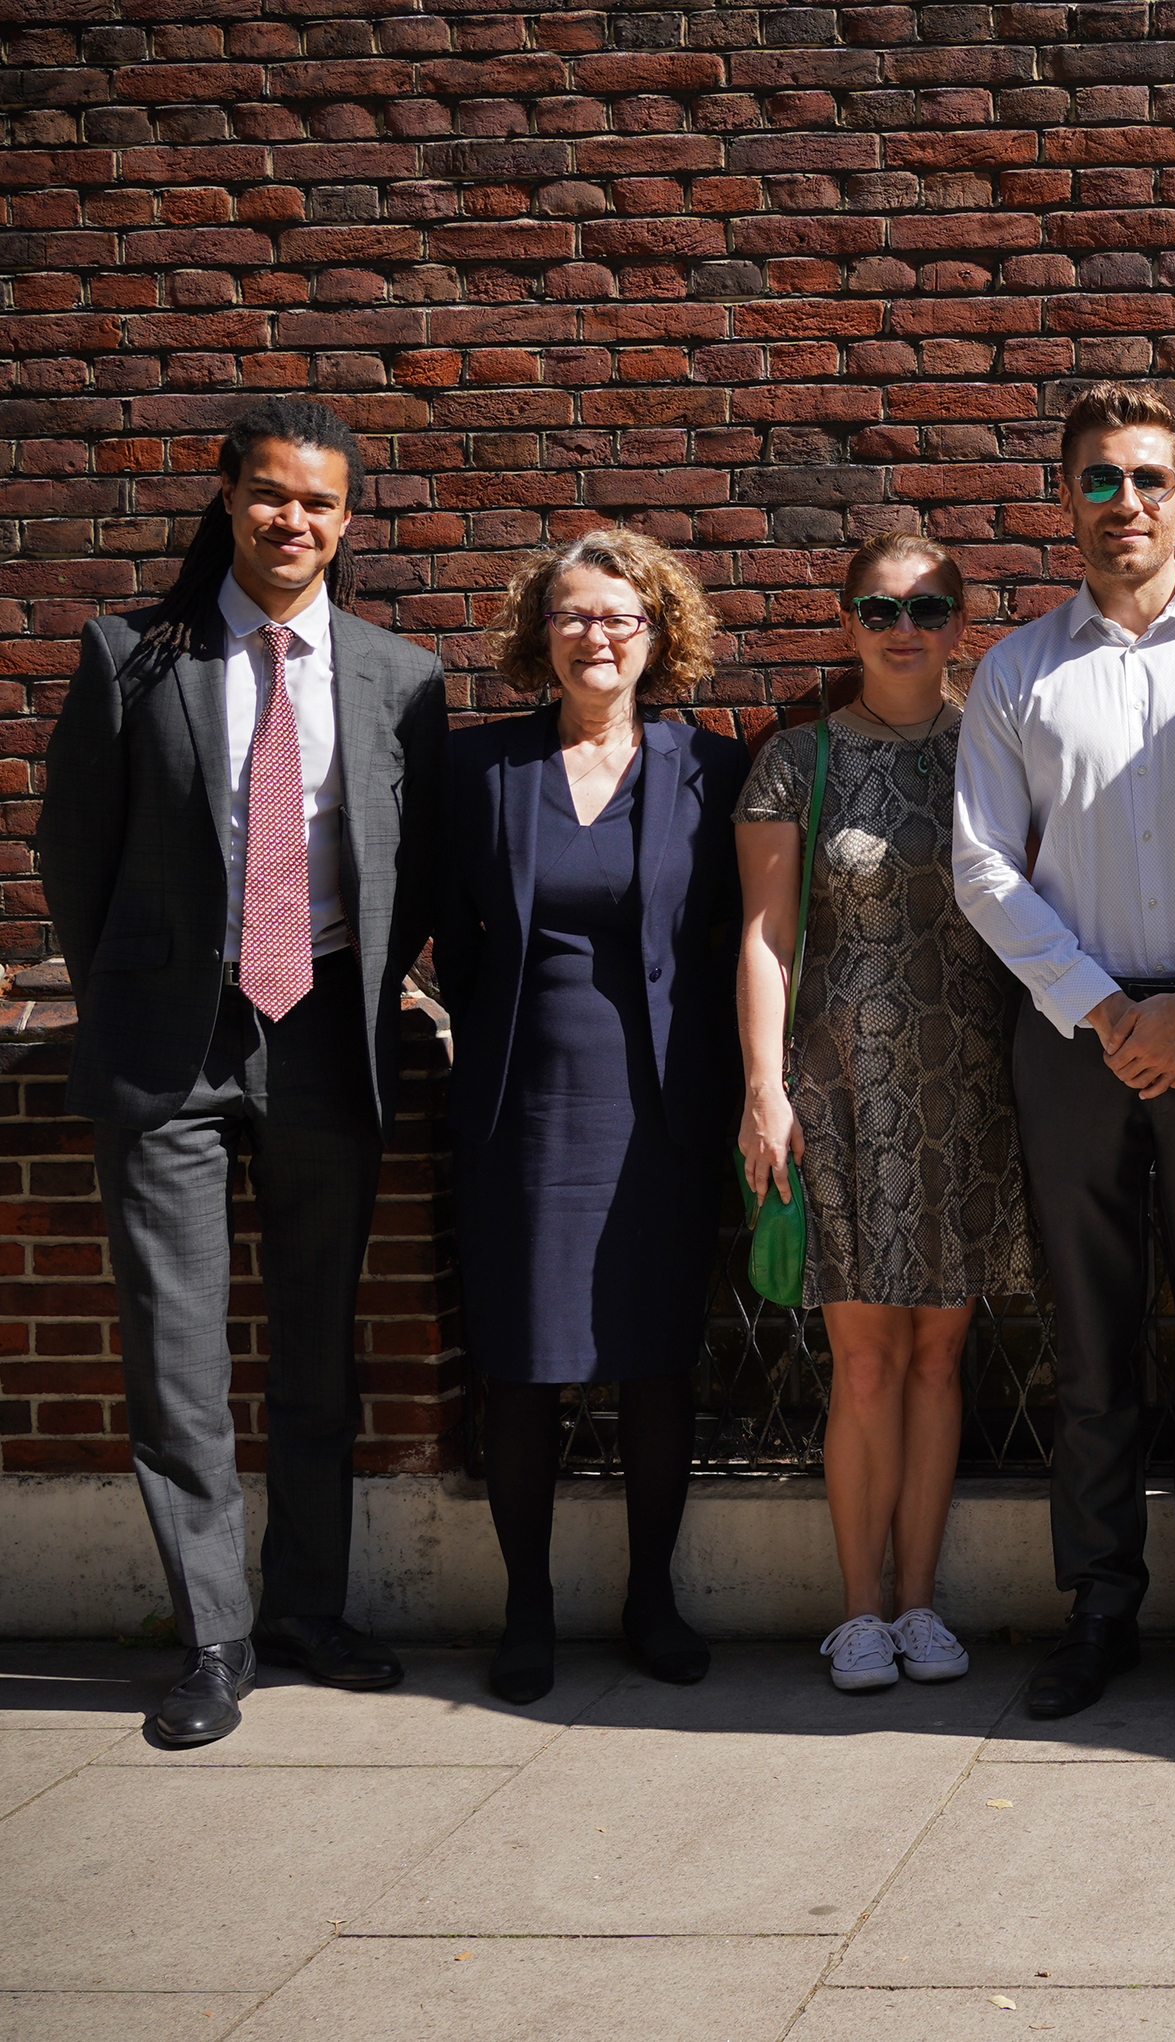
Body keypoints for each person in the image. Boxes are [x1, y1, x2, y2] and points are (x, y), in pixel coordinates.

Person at [39, 397, 447, 1747]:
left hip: (329, 1033)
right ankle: (212, 1637)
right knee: (178, 1355)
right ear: (226, 496)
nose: (294, 520)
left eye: (320, 502)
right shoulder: (130, 659)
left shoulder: (401, 677)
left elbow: (415, 861)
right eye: (271, 493)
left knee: (317, 1344)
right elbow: (71, 857)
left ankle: (305, 1608)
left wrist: (408, 991)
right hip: (174, 1041)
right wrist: (128, 999)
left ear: (347, 521)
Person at [952, 384, 1175, 1718]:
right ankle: (1097, 1601)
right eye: (1097, 481)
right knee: (1091, 1336)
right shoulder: (1014, 671)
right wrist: (1106, 1010)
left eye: (1147, 479)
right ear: (1065, 501)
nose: (1124, 505)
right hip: (1074, 1039)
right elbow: (983, 865)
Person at [441, 529, 748, 1704]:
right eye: (573, 615)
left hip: (663, 1107)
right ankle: (528, 1608)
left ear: (660, 632)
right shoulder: (481, 771)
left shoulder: (710, 772)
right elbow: (450, 936)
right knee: (524, 1365)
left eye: (621, 615)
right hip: (520, 1107)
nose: (596, 635)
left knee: (655, 1361)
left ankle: (650, 1596)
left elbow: (728, 935)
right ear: (540, 633)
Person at [739, 534, 1037, 1695]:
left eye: (927, 608)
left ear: (962, 620)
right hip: (841, 1091)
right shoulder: (795, 761)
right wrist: (764, 1088)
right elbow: (765, 940)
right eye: (879, 608)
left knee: (938, 1357)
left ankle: (921, 1601)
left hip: (972, 1085)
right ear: (846, 620)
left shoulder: (997, 752)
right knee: (862, 1362)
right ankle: (857, 1610)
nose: (902, 629)